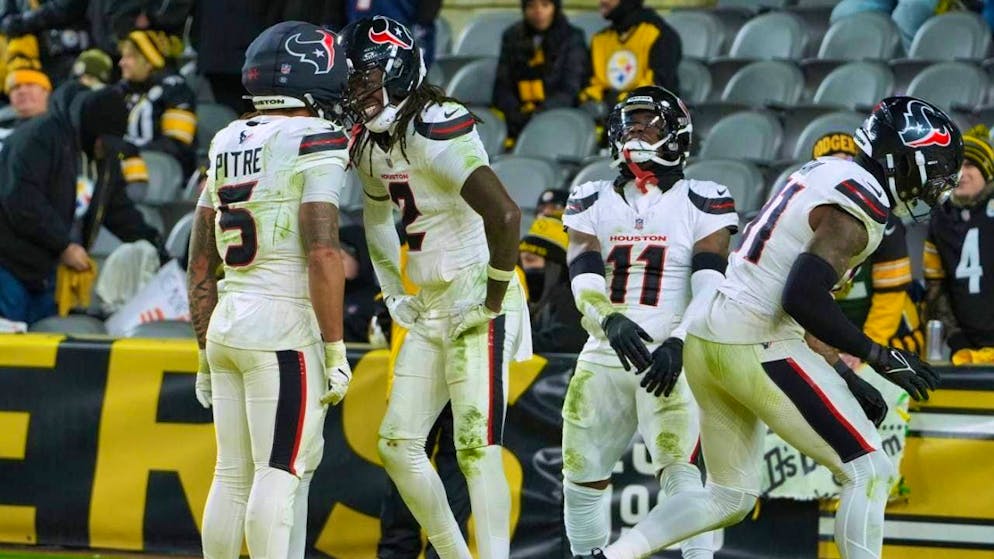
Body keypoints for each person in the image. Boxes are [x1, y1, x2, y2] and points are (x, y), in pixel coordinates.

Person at [594, 96, 961, 559]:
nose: (936, 185)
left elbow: (787, 294)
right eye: (935, 167)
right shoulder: (861, 202)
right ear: (905, 158)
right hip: (753, 341)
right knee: (869, 470)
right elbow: (800, 297)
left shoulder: (824, 171)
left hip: (711, 335)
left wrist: (846, 376)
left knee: (727, 496)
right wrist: (879, 356)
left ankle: (610, 556)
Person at [339, 15, 531, 559]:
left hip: (476, 292)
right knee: (399, 445)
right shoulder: (376, 147)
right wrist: (390, 289)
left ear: (397, 72)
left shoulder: (436, 126)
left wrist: (492, 300)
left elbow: (507, 216)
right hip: (430, 303)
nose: (357, 93)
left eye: (363, 79)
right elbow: (376, 220)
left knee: (476, 447)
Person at [186, 21, 352, 559]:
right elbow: (324, 250)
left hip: (229, 321)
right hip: (282, 329)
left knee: (230, 476)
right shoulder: (316, 138)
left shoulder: (225, 138)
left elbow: (200, 261)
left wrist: (203, 350)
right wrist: (334, 348)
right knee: (279, 472)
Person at [562, 86, 734, 559]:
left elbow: (710, 285)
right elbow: (583, 271)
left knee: (681, 473)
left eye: (649, 121)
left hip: (672, 350)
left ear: (677, 132)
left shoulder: (704, 199)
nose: (636, 129)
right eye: (629, 120)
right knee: (581, 474)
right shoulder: (589, 197)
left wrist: (679, 342)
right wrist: (607, 317)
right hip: (605, 348)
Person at [0, 85, 162, 324]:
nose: (104, 147)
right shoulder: (39, 137)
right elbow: (22, 200)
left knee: (44, 350)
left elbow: (117, 210)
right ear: (90, 127)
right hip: (9, 266)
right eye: (102, 140)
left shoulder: (104, 157)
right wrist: (64, 245)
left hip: (48, 274)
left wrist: (155, 244)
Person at [810, 132, 923, 363]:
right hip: (832, 339)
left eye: (848, 161)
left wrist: (865, 350)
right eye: (833, 163)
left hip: (891, 335)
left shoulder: (884, 216)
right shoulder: (808, 213)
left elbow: (891, 296)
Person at [923, 126, 994, 365]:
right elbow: (936, 286)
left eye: (971, 165)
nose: (961, 173)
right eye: (956, 166)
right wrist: (957, 340)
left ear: (988, 170)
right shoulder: (940, 218)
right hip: (966, 351)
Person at [493, 0, 589, 140]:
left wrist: (538, 113)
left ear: (555, 8)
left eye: (545, 5)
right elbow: (502, 85)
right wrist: (514, 113)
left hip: (558, 118)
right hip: (517, 118)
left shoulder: (573, 37)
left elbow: (571, 89)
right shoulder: (511, 36)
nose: (538, 12)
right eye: (531, 6)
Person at [579, 0, 681, 123]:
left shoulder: (660, 35)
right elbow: (589, 86)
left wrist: (620, 101)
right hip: (603, 121)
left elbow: (658, 87)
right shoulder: (599, 39)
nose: (603, 1)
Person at [117, 29, 198, 177]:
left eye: (129, 57)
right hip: (125, 171)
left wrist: (131, 148)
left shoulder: (176, 91)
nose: (121, 63)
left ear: (148, 60)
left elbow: (177, 144)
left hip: (162, 176)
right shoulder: (123, 90)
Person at [520, 214, 586, 354]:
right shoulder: (532, 303)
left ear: (554, 267)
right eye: (521, 261)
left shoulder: (573, 301)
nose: (524, 268)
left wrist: (508, 340)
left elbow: (564, 342)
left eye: (531, 260)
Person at [0, 56, 51, 140]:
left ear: (45, 92)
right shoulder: (3, 135)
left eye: (30, 84)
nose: (22, 91)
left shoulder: (65, 129)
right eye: (16, 87)